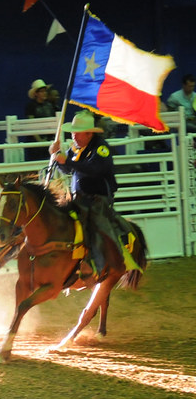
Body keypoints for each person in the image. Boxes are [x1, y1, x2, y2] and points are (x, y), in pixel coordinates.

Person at [49, 110, 136, 277]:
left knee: (95, 226)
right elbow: (67, 168)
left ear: (89, 134)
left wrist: (65, 160)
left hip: (98, 199)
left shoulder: (101, 148)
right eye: (73, 132)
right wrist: (56, 156)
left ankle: (98, 264)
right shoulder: (76, 148)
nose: (74, 136)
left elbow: (94, 169)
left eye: (78, 133)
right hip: (78, 199)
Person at [24, 79, 57, 161]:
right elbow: (31, 124)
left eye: (45, 91)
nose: (44, 93)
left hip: (49, 139)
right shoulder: (31, 106)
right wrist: (39, 141)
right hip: (35, 141)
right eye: (41, 91)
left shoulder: (50, 106)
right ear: (36, 94)